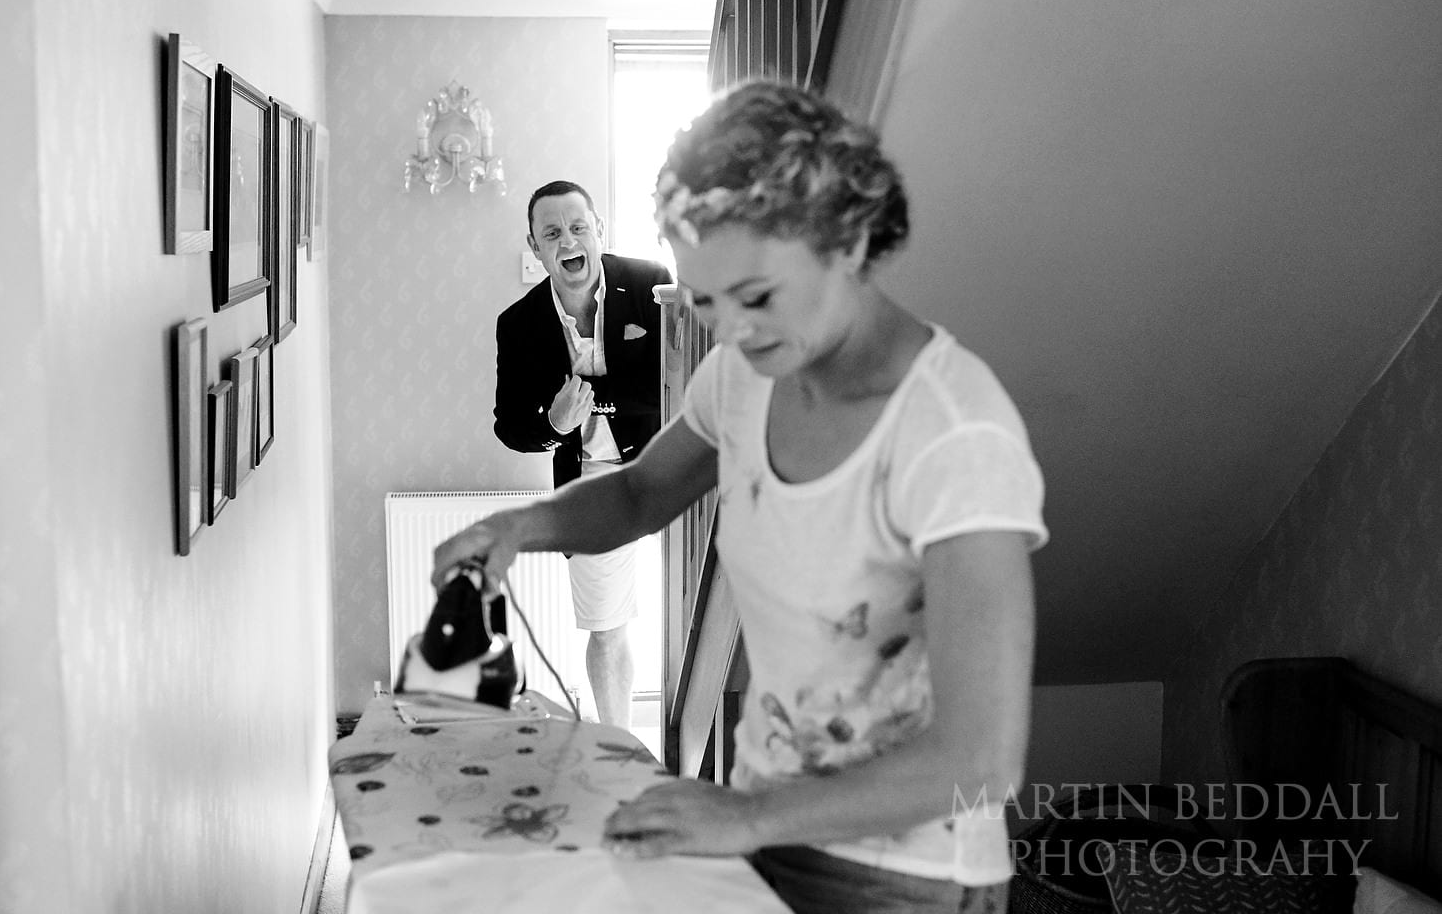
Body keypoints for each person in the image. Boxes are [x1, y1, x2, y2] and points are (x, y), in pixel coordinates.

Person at [424, 84, 1047, 914]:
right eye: (708, 305)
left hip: (910, 876)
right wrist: (518, 526)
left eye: (755, 298)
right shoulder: (744, 375)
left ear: (845, 236)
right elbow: (644, 491)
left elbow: (980, 760)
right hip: (760, 830)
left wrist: (743, 815)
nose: (732, 333)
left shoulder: (953, 434)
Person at [490, 179, 670, 730]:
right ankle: (617, 749)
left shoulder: (651, 286)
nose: (568, 241)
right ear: (535, 246)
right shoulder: (517, 325)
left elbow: (672, 382)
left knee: (693, 601)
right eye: (552, 233)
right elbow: (512, 429)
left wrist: (601, 396)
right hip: (589, 483)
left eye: (577, 227)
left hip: (669, 461)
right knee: (608, 627)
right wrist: (554, 425)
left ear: (598, 230)